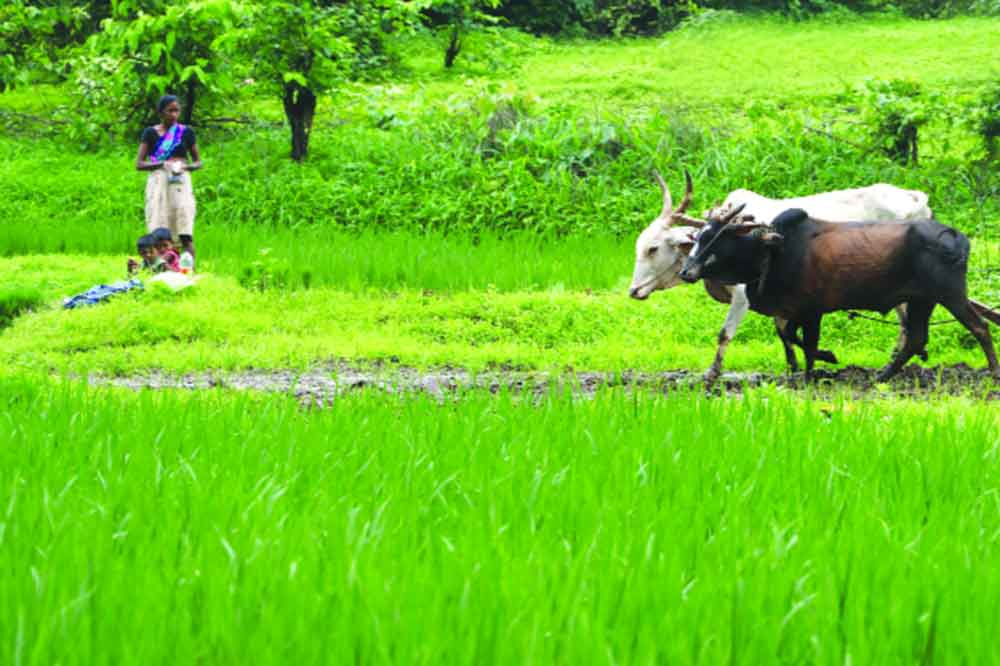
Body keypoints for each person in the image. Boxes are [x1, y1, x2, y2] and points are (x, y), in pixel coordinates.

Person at [136, 94, 202, 261]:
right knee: (159, 227)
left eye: (176, 111)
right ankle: (159, 269)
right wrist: (162, 164)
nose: (173, 115)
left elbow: (198, 162)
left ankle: (189, 270)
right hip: (159, 184)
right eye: (169, 111)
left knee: (184, 228)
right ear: (161, 113)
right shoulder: (150, 133)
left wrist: (185, 167)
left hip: (180, 183)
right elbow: (139, 164)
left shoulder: (186, 133)